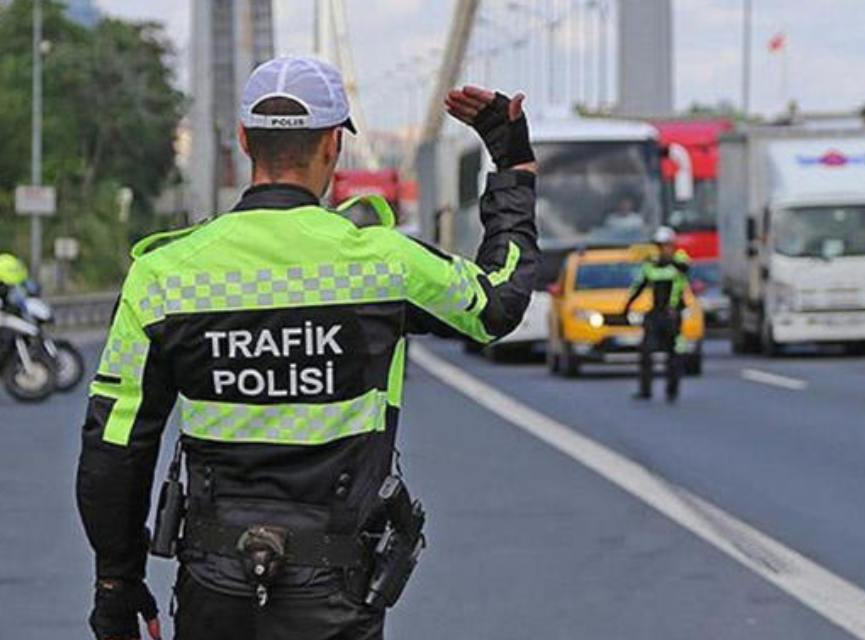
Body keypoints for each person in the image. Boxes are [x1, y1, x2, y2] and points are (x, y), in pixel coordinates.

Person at [75, 56, 539, 640]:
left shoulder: (164, 275)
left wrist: (116, 580)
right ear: (332, 146)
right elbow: (499, 303)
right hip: (337, 587)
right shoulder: (384, 264)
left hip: (214, 585)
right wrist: (513, 168)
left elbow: (115, 445)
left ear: (245, 141)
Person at [623, 226, 690, 402]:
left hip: (673, 315)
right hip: (655, 314)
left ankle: (672, 391)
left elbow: (684, 267)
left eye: (666, 245)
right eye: (660, 246)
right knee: (646, 352)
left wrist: (671, 260)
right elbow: (638, 287)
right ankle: (645, 390)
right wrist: (627, 307)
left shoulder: (679, 262)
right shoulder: (650, 266)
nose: (663, 249)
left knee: (675, 355)